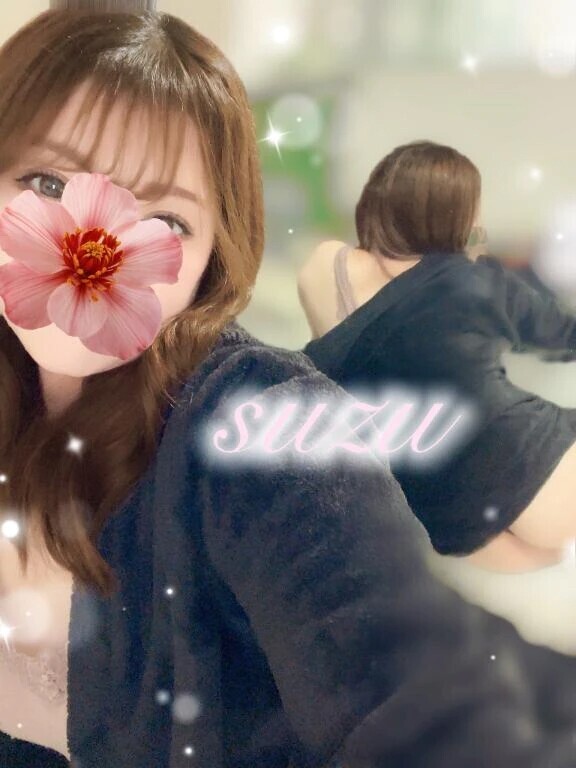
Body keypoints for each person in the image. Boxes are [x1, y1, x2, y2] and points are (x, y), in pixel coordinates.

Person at [1, 7, 576, 767]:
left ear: (211, 262)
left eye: (167, 222)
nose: (97, 250)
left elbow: (425, 715)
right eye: (48, 181)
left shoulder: (262, 429)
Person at [299, 140, 576, 574]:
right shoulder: (468, 283)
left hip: (453, 529)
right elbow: (561, 334)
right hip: (542, 477)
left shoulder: (325, 266)